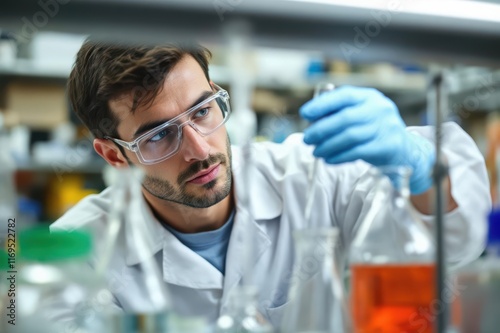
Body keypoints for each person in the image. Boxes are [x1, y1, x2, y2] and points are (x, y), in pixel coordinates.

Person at [51, 40, 490, 327]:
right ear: (114, 155)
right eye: (160, 135)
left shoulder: (308, 175)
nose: (201, 150)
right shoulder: (81, 246)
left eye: (203, 111)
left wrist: (418, 165)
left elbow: (456, 240)